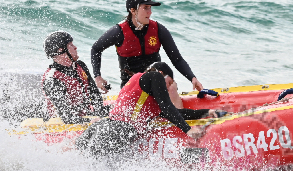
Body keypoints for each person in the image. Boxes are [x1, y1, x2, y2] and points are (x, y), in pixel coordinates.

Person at [76, 62, 216, 157]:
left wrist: (205, 112)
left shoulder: (138, 84)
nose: (168, 88)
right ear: (161, 73)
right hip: (119, 130)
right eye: (169, 82)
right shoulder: (155, 76)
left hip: (104, 125)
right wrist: (188, 130)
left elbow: (175, 113)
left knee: (86, 164)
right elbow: (168, 108)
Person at [91, 0, 204, 92]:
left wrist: (192, 78)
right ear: (133, 10)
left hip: (156, 86)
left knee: (169, 81)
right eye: (146, 8)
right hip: (131, 88)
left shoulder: (158, 30)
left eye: (150, 8)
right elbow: (96, 49)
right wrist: (98, 77)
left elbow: (177, 59)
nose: (150, 12)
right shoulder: (119, 32)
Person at [42, 31, 110, 124]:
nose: (75, 47)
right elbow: (66, 116)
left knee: (120, 108)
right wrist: (91, 121)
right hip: (61, 124)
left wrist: (100, 114)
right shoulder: (52, 79)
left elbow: (95, 95)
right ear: (60, 50)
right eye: (71, 45)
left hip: (85, 116)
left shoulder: (80, 66)